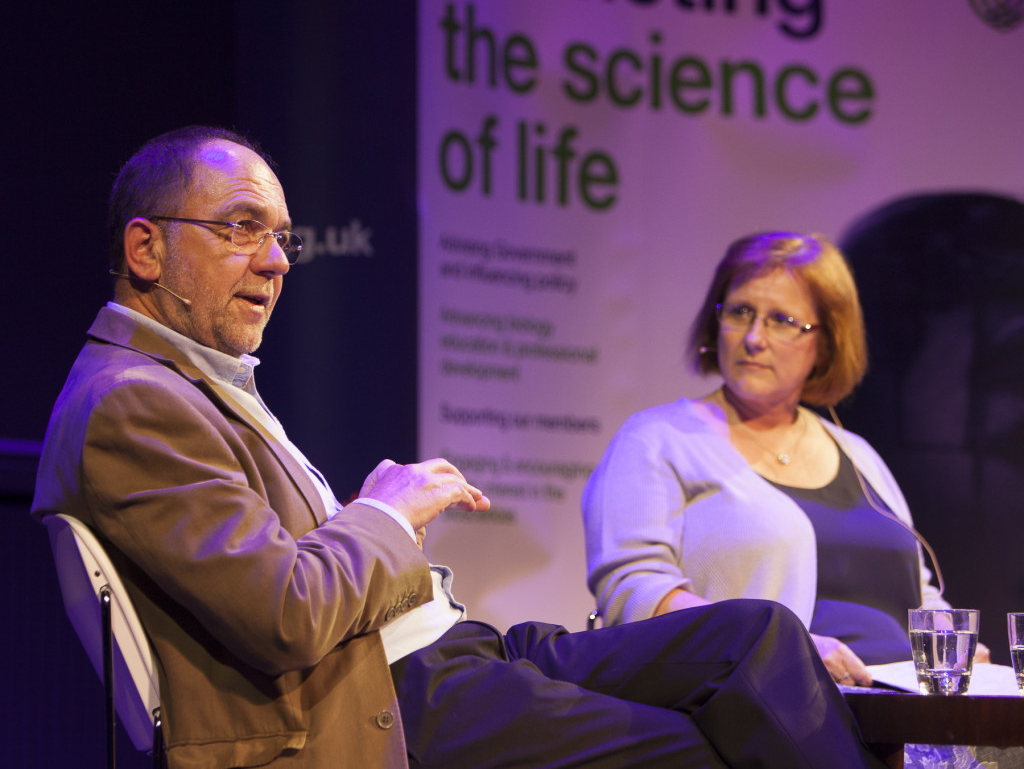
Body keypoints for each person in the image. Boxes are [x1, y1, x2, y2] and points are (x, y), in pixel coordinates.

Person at [33, 128, 887, 769]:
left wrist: (380, 526)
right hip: (395, 695)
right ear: (146, 247)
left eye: (283, 237)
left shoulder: (185, 386)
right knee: (709, 743)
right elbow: (285, 614)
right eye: (242, 228)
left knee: (759, 637)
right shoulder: (132, 404)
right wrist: (385, 511)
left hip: (450, 647)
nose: (276, 260)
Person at [582, 231, 989, 690]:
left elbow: (921, 592)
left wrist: (952, 642)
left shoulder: (858, 455)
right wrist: (779, 644)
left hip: (906, 716)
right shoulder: (657, 439)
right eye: (739, 312)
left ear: (826, 344)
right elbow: (633, 591)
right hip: (769, 711)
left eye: (781, 320)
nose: (754, 338)